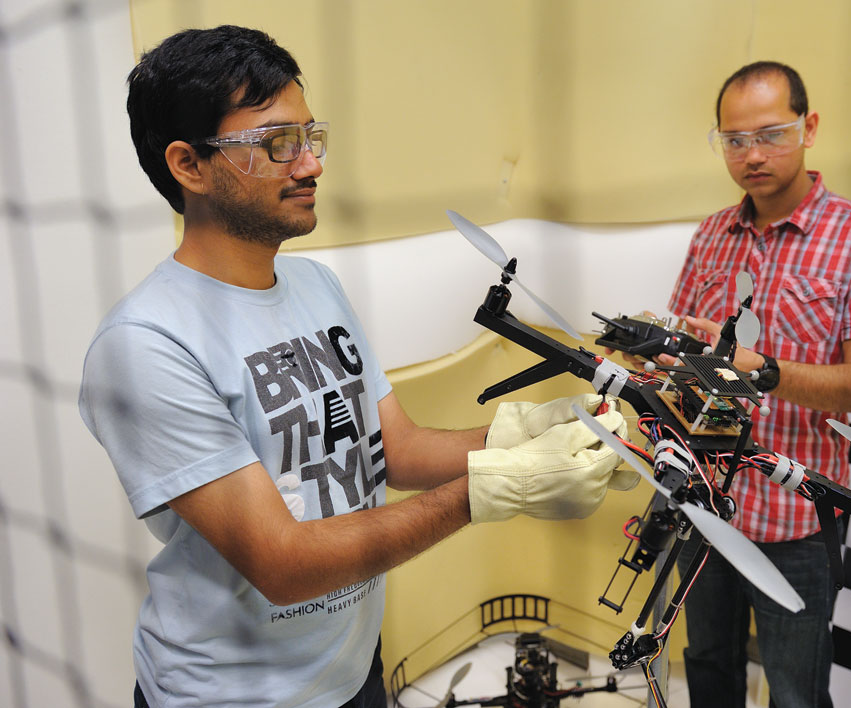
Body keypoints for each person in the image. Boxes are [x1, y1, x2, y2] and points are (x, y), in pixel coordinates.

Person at [79, 26, 635, 708]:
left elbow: (393, 450)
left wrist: (520, 435)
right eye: (276, 144)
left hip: (354, 671)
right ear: (189, 166)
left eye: (312, 138)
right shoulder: (146, 344)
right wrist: (495, 487)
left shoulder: (317, 287)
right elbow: (281, 564)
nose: (310, 165)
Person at [666, 62, 851, 707]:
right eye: (735, 140)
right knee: (706, 665)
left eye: (772, 134)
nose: (754, 155)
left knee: (796, 690)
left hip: (796, 513)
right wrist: (660, 353)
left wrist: (762, 369)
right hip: (704, 497)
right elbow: (684, 352)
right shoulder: (711, 235)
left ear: (810, 128)